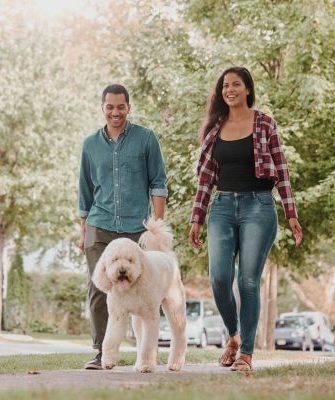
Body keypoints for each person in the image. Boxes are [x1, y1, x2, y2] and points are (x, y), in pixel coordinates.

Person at [189, 67, 303, 372]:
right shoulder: (215, 128)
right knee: (219, 279)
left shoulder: (265, 122)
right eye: (225, 85)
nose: (230, 89)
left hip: (258, 207)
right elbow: (205, 179)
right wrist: (197, 217)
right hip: (222, 207)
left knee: (248, 281)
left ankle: (247, 355)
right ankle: (234, 336)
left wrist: (291, 213)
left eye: (236, 84)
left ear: (247, 90)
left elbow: (281, 169)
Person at [78, 84, 168, 369]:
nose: (115, 112)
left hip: (135, 228)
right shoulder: (90, 145)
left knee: (143, 287)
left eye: (120, 106)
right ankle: (102, 352)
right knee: (98, 289)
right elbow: (85, 191)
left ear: (128, 107)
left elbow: (158, 183)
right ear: (102, 107)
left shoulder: (146, 139)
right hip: (99, 224)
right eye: (109, 107)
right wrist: (83, 232)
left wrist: (156, 226)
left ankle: (145, 352)